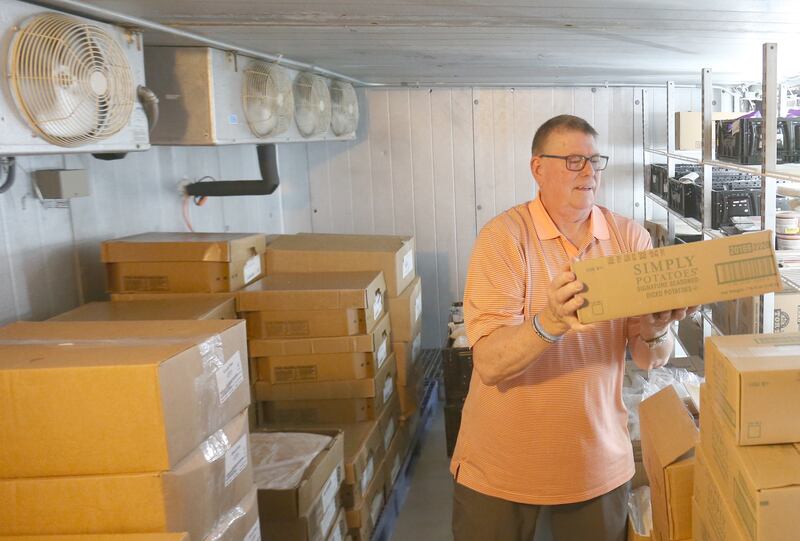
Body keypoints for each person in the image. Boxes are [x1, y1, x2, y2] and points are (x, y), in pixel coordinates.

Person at [450, 114, 697, 541]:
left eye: (593, 160)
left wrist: (656, 328)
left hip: (594, 460)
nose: (587, 171)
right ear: (537, 168)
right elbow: (489, 363)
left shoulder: (629, 240)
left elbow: (649, 358)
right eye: (572, 160)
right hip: (501, 460)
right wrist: (548, 323)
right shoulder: (503, 239)